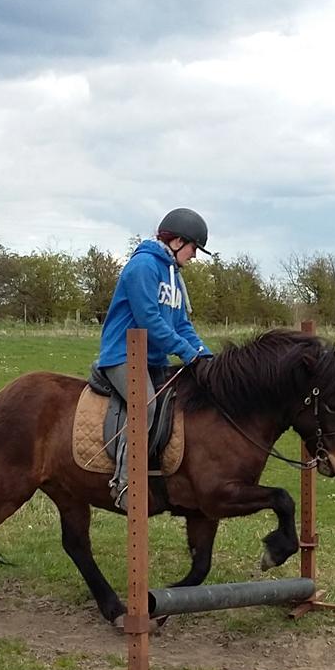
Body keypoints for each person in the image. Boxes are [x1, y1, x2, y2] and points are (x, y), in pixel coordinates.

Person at [96, 208, 214, 510]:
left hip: (153, 359)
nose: (194, 255)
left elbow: (181, 325)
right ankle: (125, 485)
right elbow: (149, 320)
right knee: (145, 406)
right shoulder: (143, 266)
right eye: (194, 248)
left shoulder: (175, 277)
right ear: (177, 241)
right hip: (122, 355)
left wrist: (205, 356)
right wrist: (187, 354)